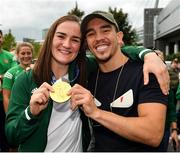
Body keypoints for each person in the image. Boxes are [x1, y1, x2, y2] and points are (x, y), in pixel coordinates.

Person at [5, 15, 169, 152]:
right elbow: (11, 135)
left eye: (75, 39)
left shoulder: (84, 71)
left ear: (81, 45)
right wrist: (30, 113)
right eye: (61, 36)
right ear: (50, 39)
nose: (67, 44)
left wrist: (147, 54)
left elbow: (113, 51)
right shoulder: (26, 80)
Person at [69, 11, 168, 151]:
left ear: (119, 37)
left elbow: (153, 134)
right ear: (87, 43)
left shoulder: (147, 71)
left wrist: (96, 113)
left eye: (105, 30)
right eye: (91, 34)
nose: (98, 38)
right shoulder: (88, 77)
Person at [2, 42, 34, 113]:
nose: (26, 56)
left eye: (29, 53)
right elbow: (6, 97)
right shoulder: (10, 73)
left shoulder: (38, 71)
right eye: (23, 53)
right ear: (17, 55)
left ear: (32, 54)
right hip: (18, 112)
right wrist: (9, 117)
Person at [0, 29, 17, 151]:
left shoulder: (9, 56)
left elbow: (12, 73)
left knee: (4, 129)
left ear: (2, 38)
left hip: (4, 100)